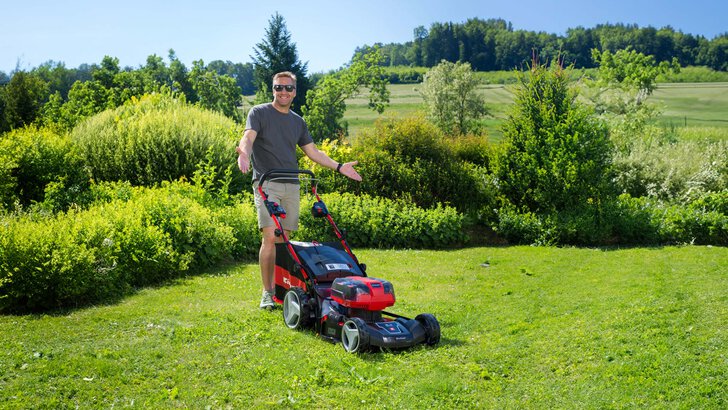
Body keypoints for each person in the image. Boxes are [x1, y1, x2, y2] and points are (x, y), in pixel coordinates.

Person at [236, 71, 362, 309]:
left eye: (288, 88)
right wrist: (244, 152)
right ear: (273, 89)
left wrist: (339, 166)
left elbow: (313, 152)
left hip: (292, 184)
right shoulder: (259, 113)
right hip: (267, 183)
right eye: (279, 87)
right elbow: (248, 137)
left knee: (284, 239)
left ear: (295, 92)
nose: (283, 92)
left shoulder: (297, 122)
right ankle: (267, 292)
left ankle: (282, 289)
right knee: (270, 236)